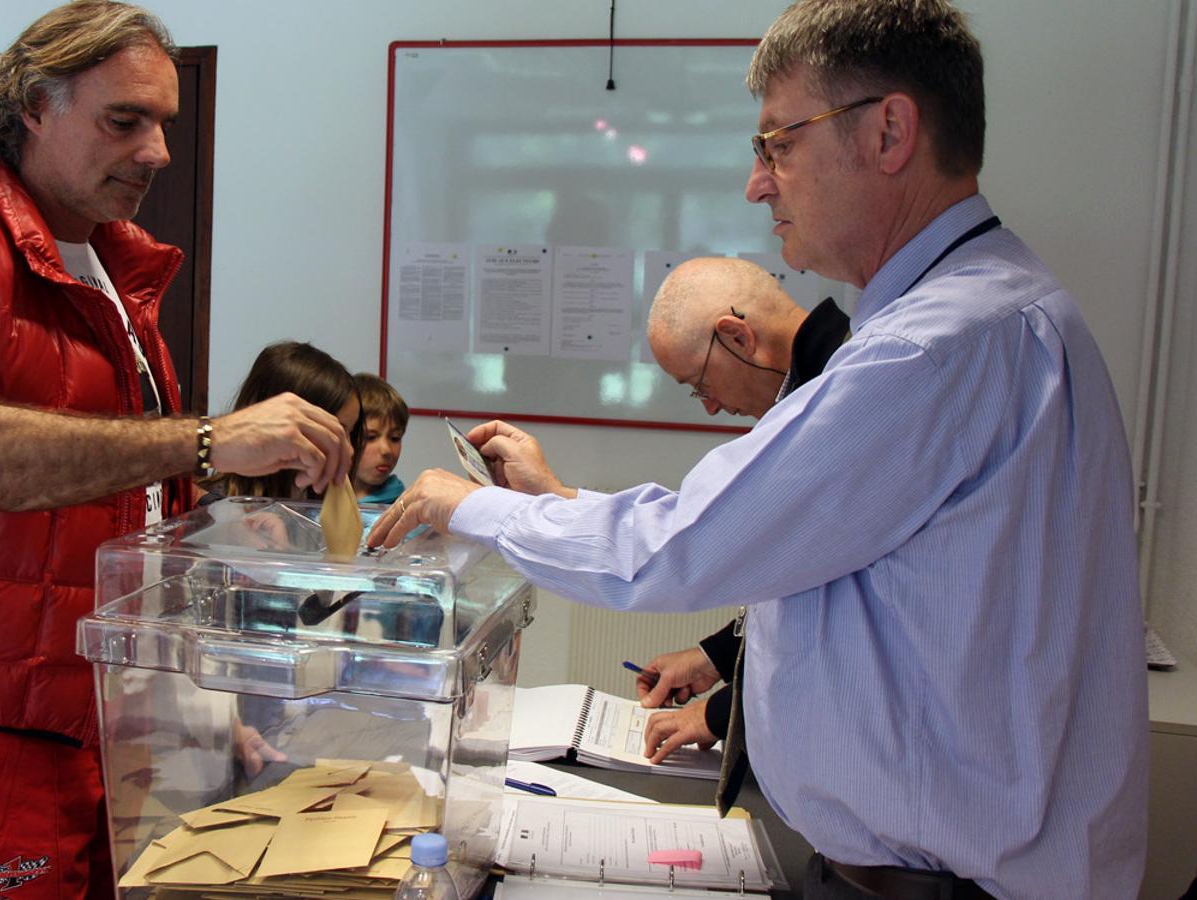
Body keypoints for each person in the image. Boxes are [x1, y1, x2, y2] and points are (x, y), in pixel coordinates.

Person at [369, 2, 1148, 897]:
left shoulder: (930, 349)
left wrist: (468, 504)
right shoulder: (989, 313)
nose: (757, 184)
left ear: (890, 130)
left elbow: (682, 545)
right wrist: (561, 506)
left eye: (779, 143)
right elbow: (795, 552)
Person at [0, 4, 352, 897]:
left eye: (164, 123)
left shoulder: (114, 273)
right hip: (1, 720)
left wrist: (205, 699)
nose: (156, 152)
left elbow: (144, 510)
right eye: (125, 121)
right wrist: (208, 439)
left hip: (115, 706)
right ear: (36, 109)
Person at [631, 256, 850, 762]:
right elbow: (799, 588)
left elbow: (833, 623)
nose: (709, 405)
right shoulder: (811, 388)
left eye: (700, 383)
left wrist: (715, 713)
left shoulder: (837, 403)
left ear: (735, 338)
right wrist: (714, 659)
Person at [201, 341, 364, 501]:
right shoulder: (217, 509)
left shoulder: (316, 497)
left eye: (350, 432)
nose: (349, 450)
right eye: (336, 431)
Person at [352, 372, 408, 504]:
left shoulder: (406, 508)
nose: (386, 450)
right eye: (370, 437)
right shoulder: (312, 496)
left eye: (395, 438)